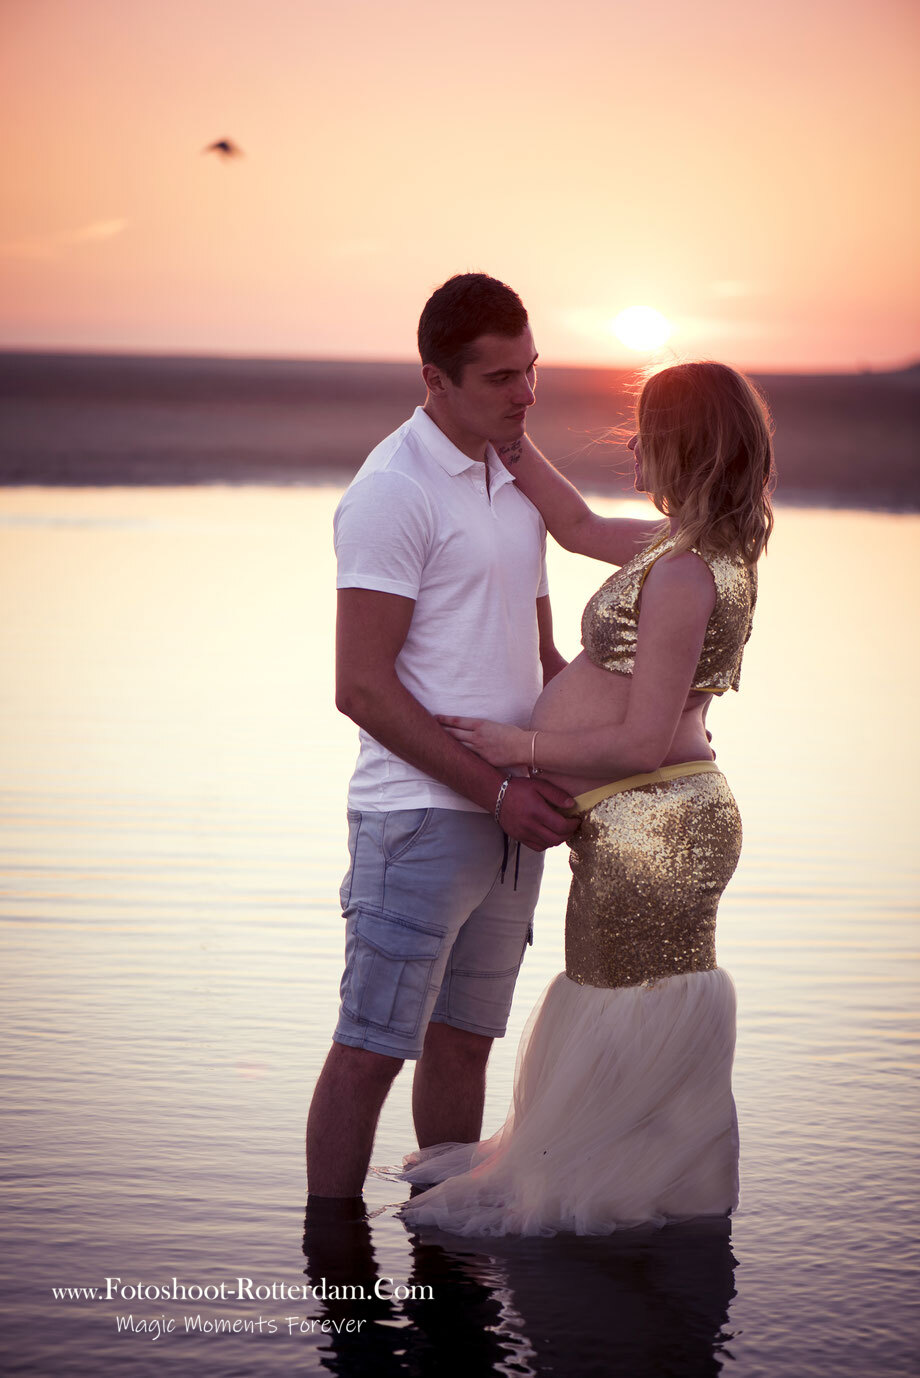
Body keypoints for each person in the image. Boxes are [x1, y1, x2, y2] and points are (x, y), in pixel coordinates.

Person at [400, 360, 775, 1236]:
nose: (635, 444)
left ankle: (612, 1204)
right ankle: (631, 1189)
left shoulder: (685, 576)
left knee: (619, 1007)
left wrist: (520, 746)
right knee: (620, 1006)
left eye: (650, 430)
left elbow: (645, 739)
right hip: (642, 821)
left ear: (685, 445)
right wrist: (509, 440)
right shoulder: (679, 551)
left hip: (657, 828)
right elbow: (569, 526)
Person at [305, 274, 578, 1201]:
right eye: (501, 378)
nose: (526, 395)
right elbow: (361, 687)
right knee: (370, 1051)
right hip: (419, 817)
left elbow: (540, 654)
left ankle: (444, 1253)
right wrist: (497, 790)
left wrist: (616, 753)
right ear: (436, 381)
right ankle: (333, 1271)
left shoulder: (515, 477)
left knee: (465, 1044)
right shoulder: (392, 490)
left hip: (513, 815)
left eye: (532, 370)